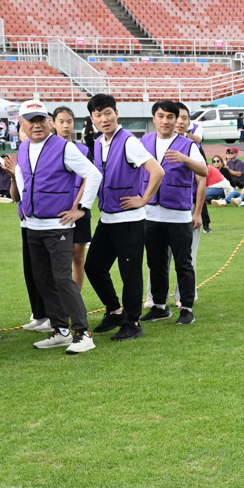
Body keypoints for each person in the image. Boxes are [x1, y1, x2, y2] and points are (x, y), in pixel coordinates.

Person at [8, 98, 101, 354]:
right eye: (31, 120)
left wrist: (80, 208)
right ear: (22, 123)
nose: (37, 125)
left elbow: (93, 174)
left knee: (62, 278)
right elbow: (22, 176)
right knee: (43, 279)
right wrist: (24, 204)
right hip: (33, 225)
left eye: (41, 119)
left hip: (58, 225)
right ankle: (60, 330)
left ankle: (82, 333)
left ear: (48, 121)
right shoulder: (24, 147)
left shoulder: (64, 147)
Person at [83, 92, 161, 339]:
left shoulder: (129, 142)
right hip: (107, 219)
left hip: (129, 221)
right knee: (94, 267)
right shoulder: (97, 143)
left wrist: (144, 199)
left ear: (117, 114)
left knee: (130, 273)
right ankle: (116, 311)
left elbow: (157, 171)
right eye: (98, 115)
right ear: (92, 119)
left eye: (108, 113)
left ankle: (133, 323)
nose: (104, 119)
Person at [140, 98, 207, 325]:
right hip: (150, 215)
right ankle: (159, 306)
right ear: (154, 119)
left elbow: (204, 171)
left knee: (183, 263)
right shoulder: (144, 141)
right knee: (156, 263)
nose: (166, 121)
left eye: (170, 117)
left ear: (176, 119)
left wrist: (185, 159)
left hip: (178, 215)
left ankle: (186, 308)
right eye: (161, 116)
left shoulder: (188, 144)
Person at [50, 106, 93, 290]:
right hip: (55, 211)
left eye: (69, 121)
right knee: (58, 259)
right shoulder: (47, 150)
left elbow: (88, 180)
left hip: (80, 210)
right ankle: (58, 303)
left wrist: (77, 208)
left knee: (78, 256)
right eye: (61, 121)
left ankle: (75, 301)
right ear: (53, 123)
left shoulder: (83, 150)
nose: (65, 125)